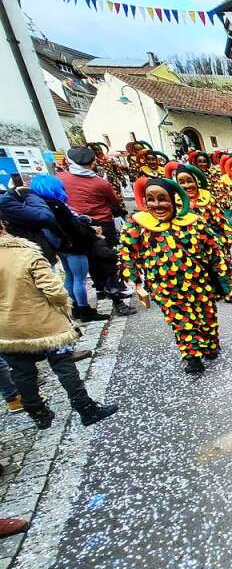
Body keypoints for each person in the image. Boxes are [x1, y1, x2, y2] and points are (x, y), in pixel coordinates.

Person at [0, 221, 118, 429]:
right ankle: (86, 408)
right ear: (2, 226)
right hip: (44, 323)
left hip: (6, 328)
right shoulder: (26, 253)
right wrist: (63, 308)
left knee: (22, 372)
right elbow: (54, 290)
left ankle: (38, 412)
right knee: (63, 366)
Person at [120, 178, 229, 374]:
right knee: (181, 321)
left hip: (200, 283)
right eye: (150, 199)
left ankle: (210, 345)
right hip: (165, 287)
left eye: (162, 199)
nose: (157, 204)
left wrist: (222, 273)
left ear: (173, 199)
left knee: (206, 316)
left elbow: (213, 248)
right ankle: (192, 357)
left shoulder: (194, 222)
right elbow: (127, 253)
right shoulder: (137, 225)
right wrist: (135, 280)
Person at [57, 146, 135, 316]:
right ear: (92, 163)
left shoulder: (60, 178)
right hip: (100, 226)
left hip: (72, 226)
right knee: (107, 263)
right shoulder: (100, 182)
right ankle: (118, 301)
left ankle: (84, 302)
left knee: (80, 266)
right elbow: (114, 201)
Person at [27, 175, 110, 323]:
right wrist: (91, 232)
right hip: (74, 247)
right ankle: (84, 309)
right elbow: (74, 229)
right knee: (79, 279)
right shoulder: (58, 206)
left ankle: (76, 307)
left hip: (61, 247)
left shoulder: (42, 206)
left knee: (70, 276)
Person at [172, 163, 232, 304]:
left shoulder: (208, 197)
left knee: (222, 266)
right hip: (192, 244)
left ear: (196, 181)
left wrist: (231, 238)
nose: (187, 185)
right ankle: (212, 291)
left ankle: (228, 292)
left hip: (216, 240)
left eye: (189, 181)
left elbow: (221, 220)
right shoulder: (174, 202)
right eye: (181, 182)